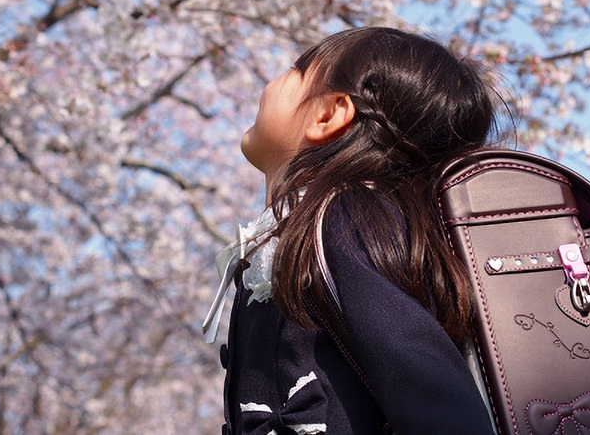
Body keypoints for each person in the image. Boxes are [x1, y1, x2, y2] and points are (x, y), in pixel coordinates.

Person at [204, 27, 499, 434]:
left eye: (297, 69)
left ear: (328, 115)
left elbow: (432, 394)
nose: (275, 79)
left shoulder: (345, 223)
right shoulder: (300, 233)